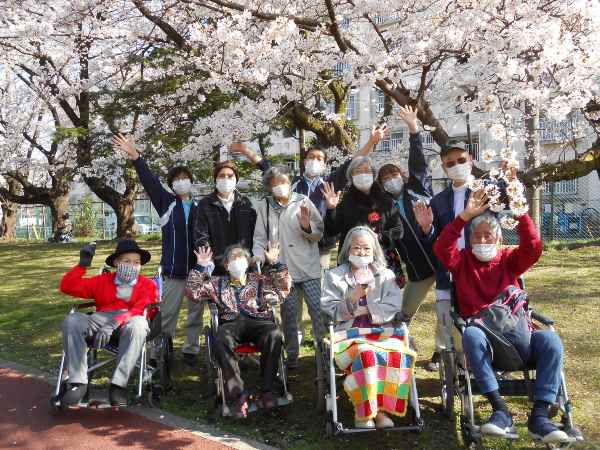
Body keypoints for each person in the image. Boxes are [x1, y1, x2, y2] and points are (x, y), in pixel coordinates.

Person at [434, 190, 571, 444]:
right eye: (477, 236)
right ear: (470, 240)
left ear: (499, 239)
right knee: (471, 333)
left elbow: (533, 247)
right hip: (484, 340)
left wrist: (520, 212)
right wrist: (464, 216)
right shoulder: (461, 262)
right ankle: (500, 410)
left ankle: (540, 416)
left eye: (488, 235)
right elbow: (442, 247)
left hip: (519, 335)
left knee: (551, 341)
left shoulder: (509, 260)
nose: (483, 240)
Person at [113, 134, 202, 366]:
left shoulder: (200, 207)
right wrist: (135, 156)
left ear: (191, 182)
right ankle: (158, 352)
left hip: (197, 273)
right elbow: (149, 180)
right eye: (177, 179)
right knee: (166, 315)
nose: (182, 181)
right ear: (172, 184)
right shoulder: (166, 202)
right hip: (172, 272)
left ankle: (191, 350)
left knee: (195, 315)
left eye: (185, 178)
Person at [321, 226, 415, 429]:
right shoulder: (334, 276)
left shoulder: (386, 275)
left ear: (374, 251)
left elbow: (393, 305)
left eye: (366, 248)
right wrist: (353, 296)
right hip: (348, 335)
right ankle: (370, 414)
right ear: (348, 250)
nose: (362, 253)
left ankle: (379, 409)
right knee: (365, 353)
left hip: (382, 331)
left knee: (396, 353)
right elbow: (330, 308)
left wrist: (366, 310)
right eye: (357, 248)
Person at [185, 243, 291, 418]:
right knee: (220, 338)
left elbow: (284, 288)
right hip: (231, 322)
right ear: (226, 265)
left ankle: (268, 391)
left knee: (275, 334)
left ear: (247, 262)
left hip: (258, 321)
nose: (237, 262)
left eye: (241, 258)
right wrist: (200, 267)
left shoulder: (259, 279)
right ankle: (238, 394)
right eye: (233, 259)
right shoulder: (217, 283)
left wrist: (276, 263)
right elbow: (192, 292)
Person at [59, 240, 157, 407]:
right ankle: (78, 383)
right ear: (116, 263)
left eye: (137, 263)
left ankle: (118, 386)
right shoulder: (102, 281)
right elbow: (67, 286)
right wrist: (82, 265)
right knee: (72, 320)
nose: (133, 266)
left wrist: (114, 323)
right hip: (100, 319)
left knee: (139, 324)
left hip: (129, 322)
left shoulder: (148, 285)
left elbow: (141, 308)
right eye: (127, 261)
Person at [376, 106, 438, 352]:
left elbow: (419, 163)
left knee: (449, 311)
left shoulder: (419, 190)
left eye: (393, 174)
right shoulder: (384, 209)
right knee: (404, 312)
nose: (391, 179)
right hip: (417, 270)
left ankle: (440, 353)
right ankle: (403, 342)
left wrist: (414, 130)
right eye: (385, 178)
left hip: (442, 263)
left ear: (401, 175)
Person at [252, 165, 324, 369]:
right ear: (269, 187)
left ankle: (324, 352)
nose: (279, 187)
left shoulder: (303, 201)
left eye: (283, 182)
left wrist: (306, 225)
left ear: (290, 183)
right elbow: (259, 238)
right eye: (275, 184)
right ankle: (292, 356)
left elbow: (319, 233)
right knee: (289, 316)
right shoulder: (264, 206)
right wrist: (260, 256)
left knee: (318, 312)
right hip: (282, 271)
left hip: (308, 267)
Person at [415, 140, 474, 371]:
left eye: (461, 160)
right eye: (450, 163)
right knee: (445, 311)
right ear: (444, 167)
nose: (456, 165)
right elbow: (435, 241)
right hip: (447, 269)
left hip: (476, 266)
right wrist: (427, 228)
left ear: (471, 160)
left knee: (476, 312)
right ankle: (444, 351)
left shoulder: (485, 192)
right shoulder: (438, 200)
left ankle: (475, 354)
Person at [193, 160, 257, 276]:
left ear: (236, 179)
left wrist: (249, 258)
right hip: (216, 269)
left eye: (230, 176)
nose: (226, 179)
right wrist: (210, 260)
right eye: (221, 176)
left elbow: (254, 233)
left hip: (243, 266)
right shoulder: (205, 204)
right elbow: (201, 236)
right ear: (216, 179)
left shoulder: (245, 203)